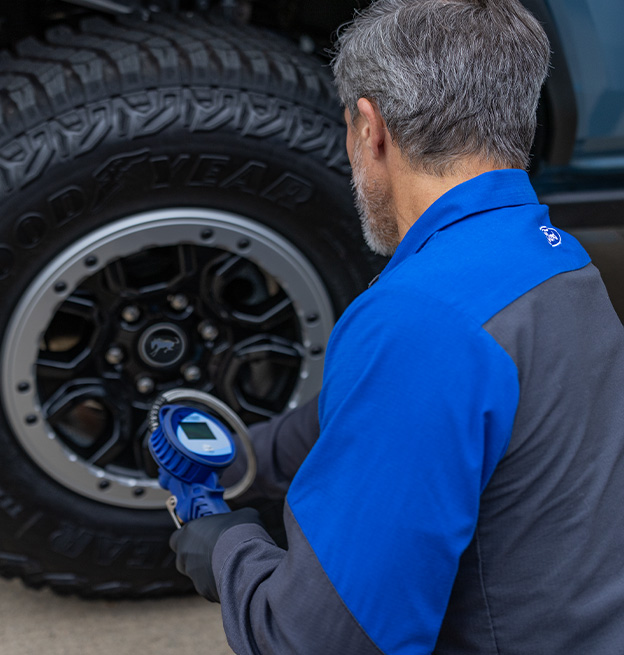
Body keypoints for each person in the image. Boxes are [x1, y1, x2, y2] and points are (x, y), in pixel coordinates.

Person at [167, 1, 624, 653]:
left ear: (371, 128)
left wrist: (225, 547)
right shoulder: (557, 263)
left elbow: (314, 641)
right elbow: (428, 407)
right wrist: (252, 458)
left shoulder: (419, 319)